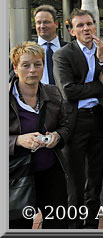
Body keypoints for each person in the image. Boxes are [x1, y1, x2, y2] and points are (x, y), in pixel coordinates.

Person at [53, 8, 103, 229]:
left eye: (89, 24)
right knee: (76, 180)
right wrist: (98, 87)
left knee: (95, 179)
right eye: (80, 25)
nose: (86, 28)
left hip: (97, 120)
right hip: (75, 122)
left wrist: (102, 60)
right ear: (72, 31)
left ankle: (91, 225)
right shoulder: (63, 54)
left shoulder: (100, 51)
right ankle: (75, 227)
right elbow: (69, 91)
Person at [9, 42, 70, 229]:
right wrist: (18, 140)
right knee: (19, 226)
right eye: (26, 65)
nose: (33, 70)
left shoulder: (53, 92)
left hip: (50, 171)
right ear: (15, 68)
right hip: (16, 175)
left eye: (38, 64)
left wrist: (57, 137)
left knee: (58, 223)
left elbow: (66, 126)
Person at [10, 5, 67, 83]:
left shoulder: (69, 49)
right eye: (38, 23)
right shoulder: (23, 51)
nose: (42, 26)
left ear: (56, 24)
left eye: (46, 22)